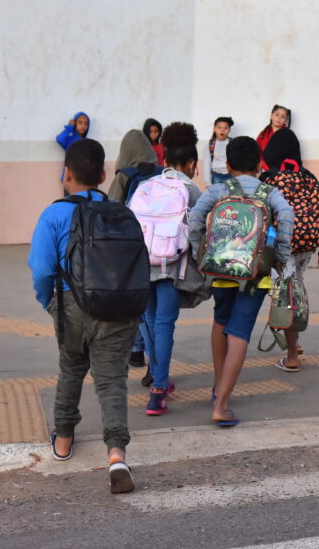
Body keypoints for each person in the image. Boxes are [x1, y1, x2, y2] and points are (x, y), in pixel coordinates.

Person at [27, 139, 140, 493]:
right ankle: (116, 455)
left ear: (66, 173)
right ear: (104, 175)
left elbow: (41, 271)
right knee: (112, 382)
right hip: (119, 309)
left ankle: (63, 440)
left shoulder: (55, 214)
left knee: (72, 368)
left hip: (72, 306)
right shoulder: (122, 212)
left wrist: (50, 303)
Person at [188, 137, 294, 426]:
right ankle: (222, 405)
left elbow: (194, 219)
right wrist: (280, 258)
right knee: (239, 333)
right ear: (260, 164)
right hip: (255, 275)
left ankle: (217, 387)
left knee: (221, 321)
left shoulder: (217, 190)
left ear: (229, 164)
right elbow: (286, 218)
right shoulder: (270, 193)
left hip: (220, 271)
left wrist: (202, 253)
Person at [137, 122, 203, 416]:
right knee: (164, 324)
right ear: (191, 163)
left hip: (143, 264)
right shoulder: (191, 190)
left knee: (150, 321)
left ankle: (157, 377)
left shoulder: (146, 186)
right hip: (171, 266)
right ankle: (158, 390)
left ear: (164, 160)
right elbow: (199, 233)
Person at [260, 128, 319, 372]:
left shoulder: (268, 178)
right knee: (295, 287)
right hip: (306, 246)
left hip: (280, 247)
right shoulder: (308, 177)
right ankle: (295, 340)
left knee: (285, 297)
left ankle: (292, 355)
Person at [107, 129, 160, 372]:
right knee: (153, 309)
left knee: (136, 303)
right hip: (161, 248)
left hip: (131, 248)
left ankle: (138, 352)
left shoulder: (124, 177)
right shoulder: (162, 174)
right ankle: (152, 357)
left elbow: (111, 212)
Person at [256, 105, 291, 170]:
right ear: (271, 115)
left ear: (286, 120)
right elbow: (257, 150)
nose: (279, 118)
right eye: (277, 115)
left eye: (282, 117)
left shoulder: (288, 134)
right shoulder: (263, 133)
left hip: (281, 170)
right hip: (263, 168)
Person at [206, 116, 234, 185]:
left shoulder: (232, 143)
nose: (222, 130)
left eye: (225, 128)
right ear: (214, 129)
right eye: (219, 128)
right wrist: (208, 183)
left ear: (229, 130)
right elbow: (207, 163)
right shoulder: (211, 144)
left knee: (230, 194)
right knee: (218, 195)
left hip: (230, 175)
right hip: (216, 175)